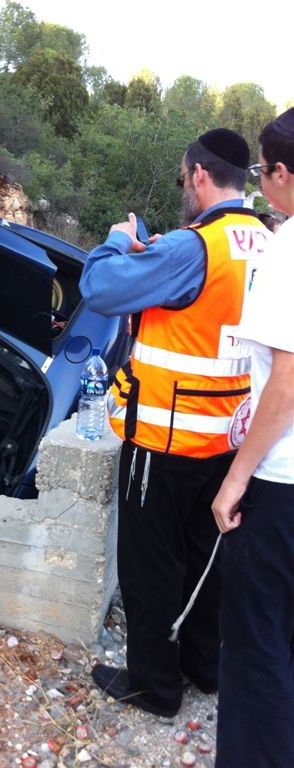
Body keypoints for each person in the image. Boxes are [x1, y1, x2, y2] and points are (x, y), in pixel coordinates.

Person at [79, 129, 270, 717]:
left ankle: (155, 688)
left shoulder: (193, 246)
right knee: (205, 562)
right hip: (228, 439)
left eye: (183, 177)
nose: (184, 186)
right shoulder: (265, 239)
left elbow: (100, 289)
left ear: (198, 175)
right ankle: (203, 666)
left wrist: (116, 242)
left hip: (163, 440)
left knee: (150, 569)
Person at [212, 108, 294, 768]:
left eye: (265, 171)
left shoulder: (287, 254)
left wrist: (237, 478)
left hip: (282, 487)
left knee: (257, 648)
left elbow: (286, 388)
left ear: (283, 174)